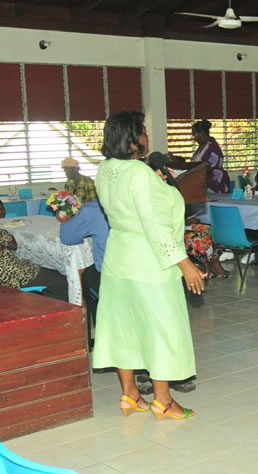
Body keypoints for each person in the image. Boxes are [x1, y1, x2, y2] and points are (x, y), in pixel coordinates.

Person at [93, 110, 204, 421]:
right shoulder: (139, 174)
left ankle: (130, 394)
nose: (146, 137)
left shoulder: (104, 170)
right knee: (160, 328)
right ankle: (163, 400)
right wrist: (186, 265)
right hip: (149, 261)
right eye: (142, 132)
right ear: (131, 140)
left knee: (123, 327)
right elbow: (153, 225)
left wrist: (159, 186)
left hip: (118, 257)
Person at [146, 155, 229, 279]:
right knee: (199, 238)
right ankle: (206, 265)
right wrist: (188, 221)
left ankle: (214, 263)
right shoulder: (151, 189)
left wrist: (187, 220)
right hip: (169, 231)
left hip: (182, 223)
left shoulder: (169, 184)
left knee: (207, 229)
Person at [58, 199, 109, 299]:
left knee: (83, 275)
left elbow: (67, 237)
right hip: (143, 272)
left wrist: (64, 219)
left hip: (108, 276)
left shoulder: (93, 208)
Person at [190, 119, 230, 194]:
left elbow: (207, 167)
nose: (194, 138)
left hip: (214, 183)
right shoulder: (202, 147)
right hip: (204, 182)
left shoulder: (212, 147)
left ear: (202, 133)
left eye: (194, 135)